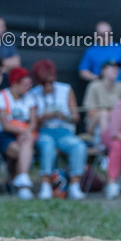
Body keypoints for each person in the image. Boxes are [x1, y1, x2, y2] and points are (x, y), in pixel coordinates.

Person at [29, 59, 87, 200]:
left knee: (79, 146)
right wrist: (43, 117)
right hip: (44, 131)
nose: (48, 85)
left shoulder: (65, 89)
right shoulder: (33, 94)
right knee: (47, 147)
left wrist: (64, 116)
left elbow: (75, 117)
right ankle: (46, 186)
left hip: (64, 131)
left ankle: (74, 186)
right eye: (44, 83)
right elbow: (32, 123)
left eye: (50, 81)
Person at [0, 67, 38, 200]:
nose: (28, 87)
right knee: (21, 152)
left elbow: (33, 123)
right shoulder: (1, 96)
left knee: (26, 142)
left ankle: (21, 182)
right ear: (15, 83)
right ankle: (21, 184)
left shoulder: (30, 97)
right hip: (3, 134)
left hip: (24, 134)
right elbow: (5, 125)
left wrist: (26, 132)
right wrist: (25, 131)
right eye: (25, 84)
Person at [83, 60, 121, 141]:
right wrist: (110, 113)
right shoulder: (94, 86)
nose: (115, 70)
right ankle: (106, 143)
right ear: (103, 71)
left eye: (117, 68)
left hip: (116, 121)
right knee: (104, 114)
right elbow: (90, 112)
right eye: (112, 67)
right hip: (94, 123)